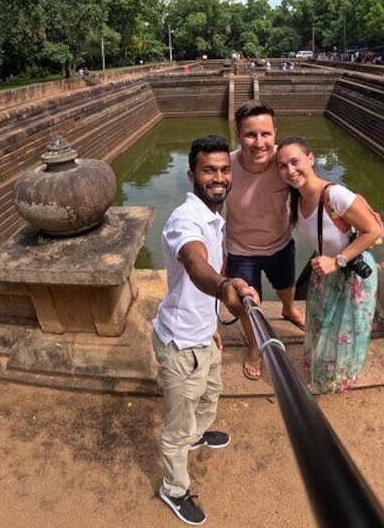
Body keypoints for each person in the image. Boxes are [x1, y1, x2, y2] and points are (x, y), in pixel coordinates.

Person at [152, 135, 259, 525]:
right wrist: (223, 287)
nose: (219, 177)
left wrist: (212, 319)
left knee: (209, 394)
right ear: (192, 175)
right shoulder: (186, 219)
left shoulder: (215, 214)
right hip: (181, 344)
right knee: (176, 428)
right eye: (208, 170)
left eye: (224, 169)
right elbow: (196, 264)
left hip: (203, 332)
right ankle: (173, 489)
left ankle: (198, 434)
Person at [274, 135, 383, 394]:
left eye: (295, 161)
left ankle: (338, 379)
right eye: (282, 165)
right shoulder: (296, 200)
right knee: (320, 323)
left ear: (311, 159)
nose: (290, 170)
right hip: (325, 270)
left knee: (344, 330)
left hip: (351, 271)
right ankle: (320, 370)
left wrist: (338, 260)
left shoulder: (334, 194)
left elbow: (374, 231)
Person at [224, 100, 305, 381]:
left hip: (280, 242)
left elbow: (313, 190)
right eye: (250, 135)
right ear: (238, 136)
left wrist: (350, 213)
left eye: (265, 134)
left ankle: (288, 309)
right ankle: (254, 346)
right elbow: (207, 212)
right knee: (248, 305)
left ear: (275, 133)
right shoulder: (226, 168)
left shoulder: (284, 164)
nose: (259, 143)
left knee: (286, 286)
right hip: (240, 250)